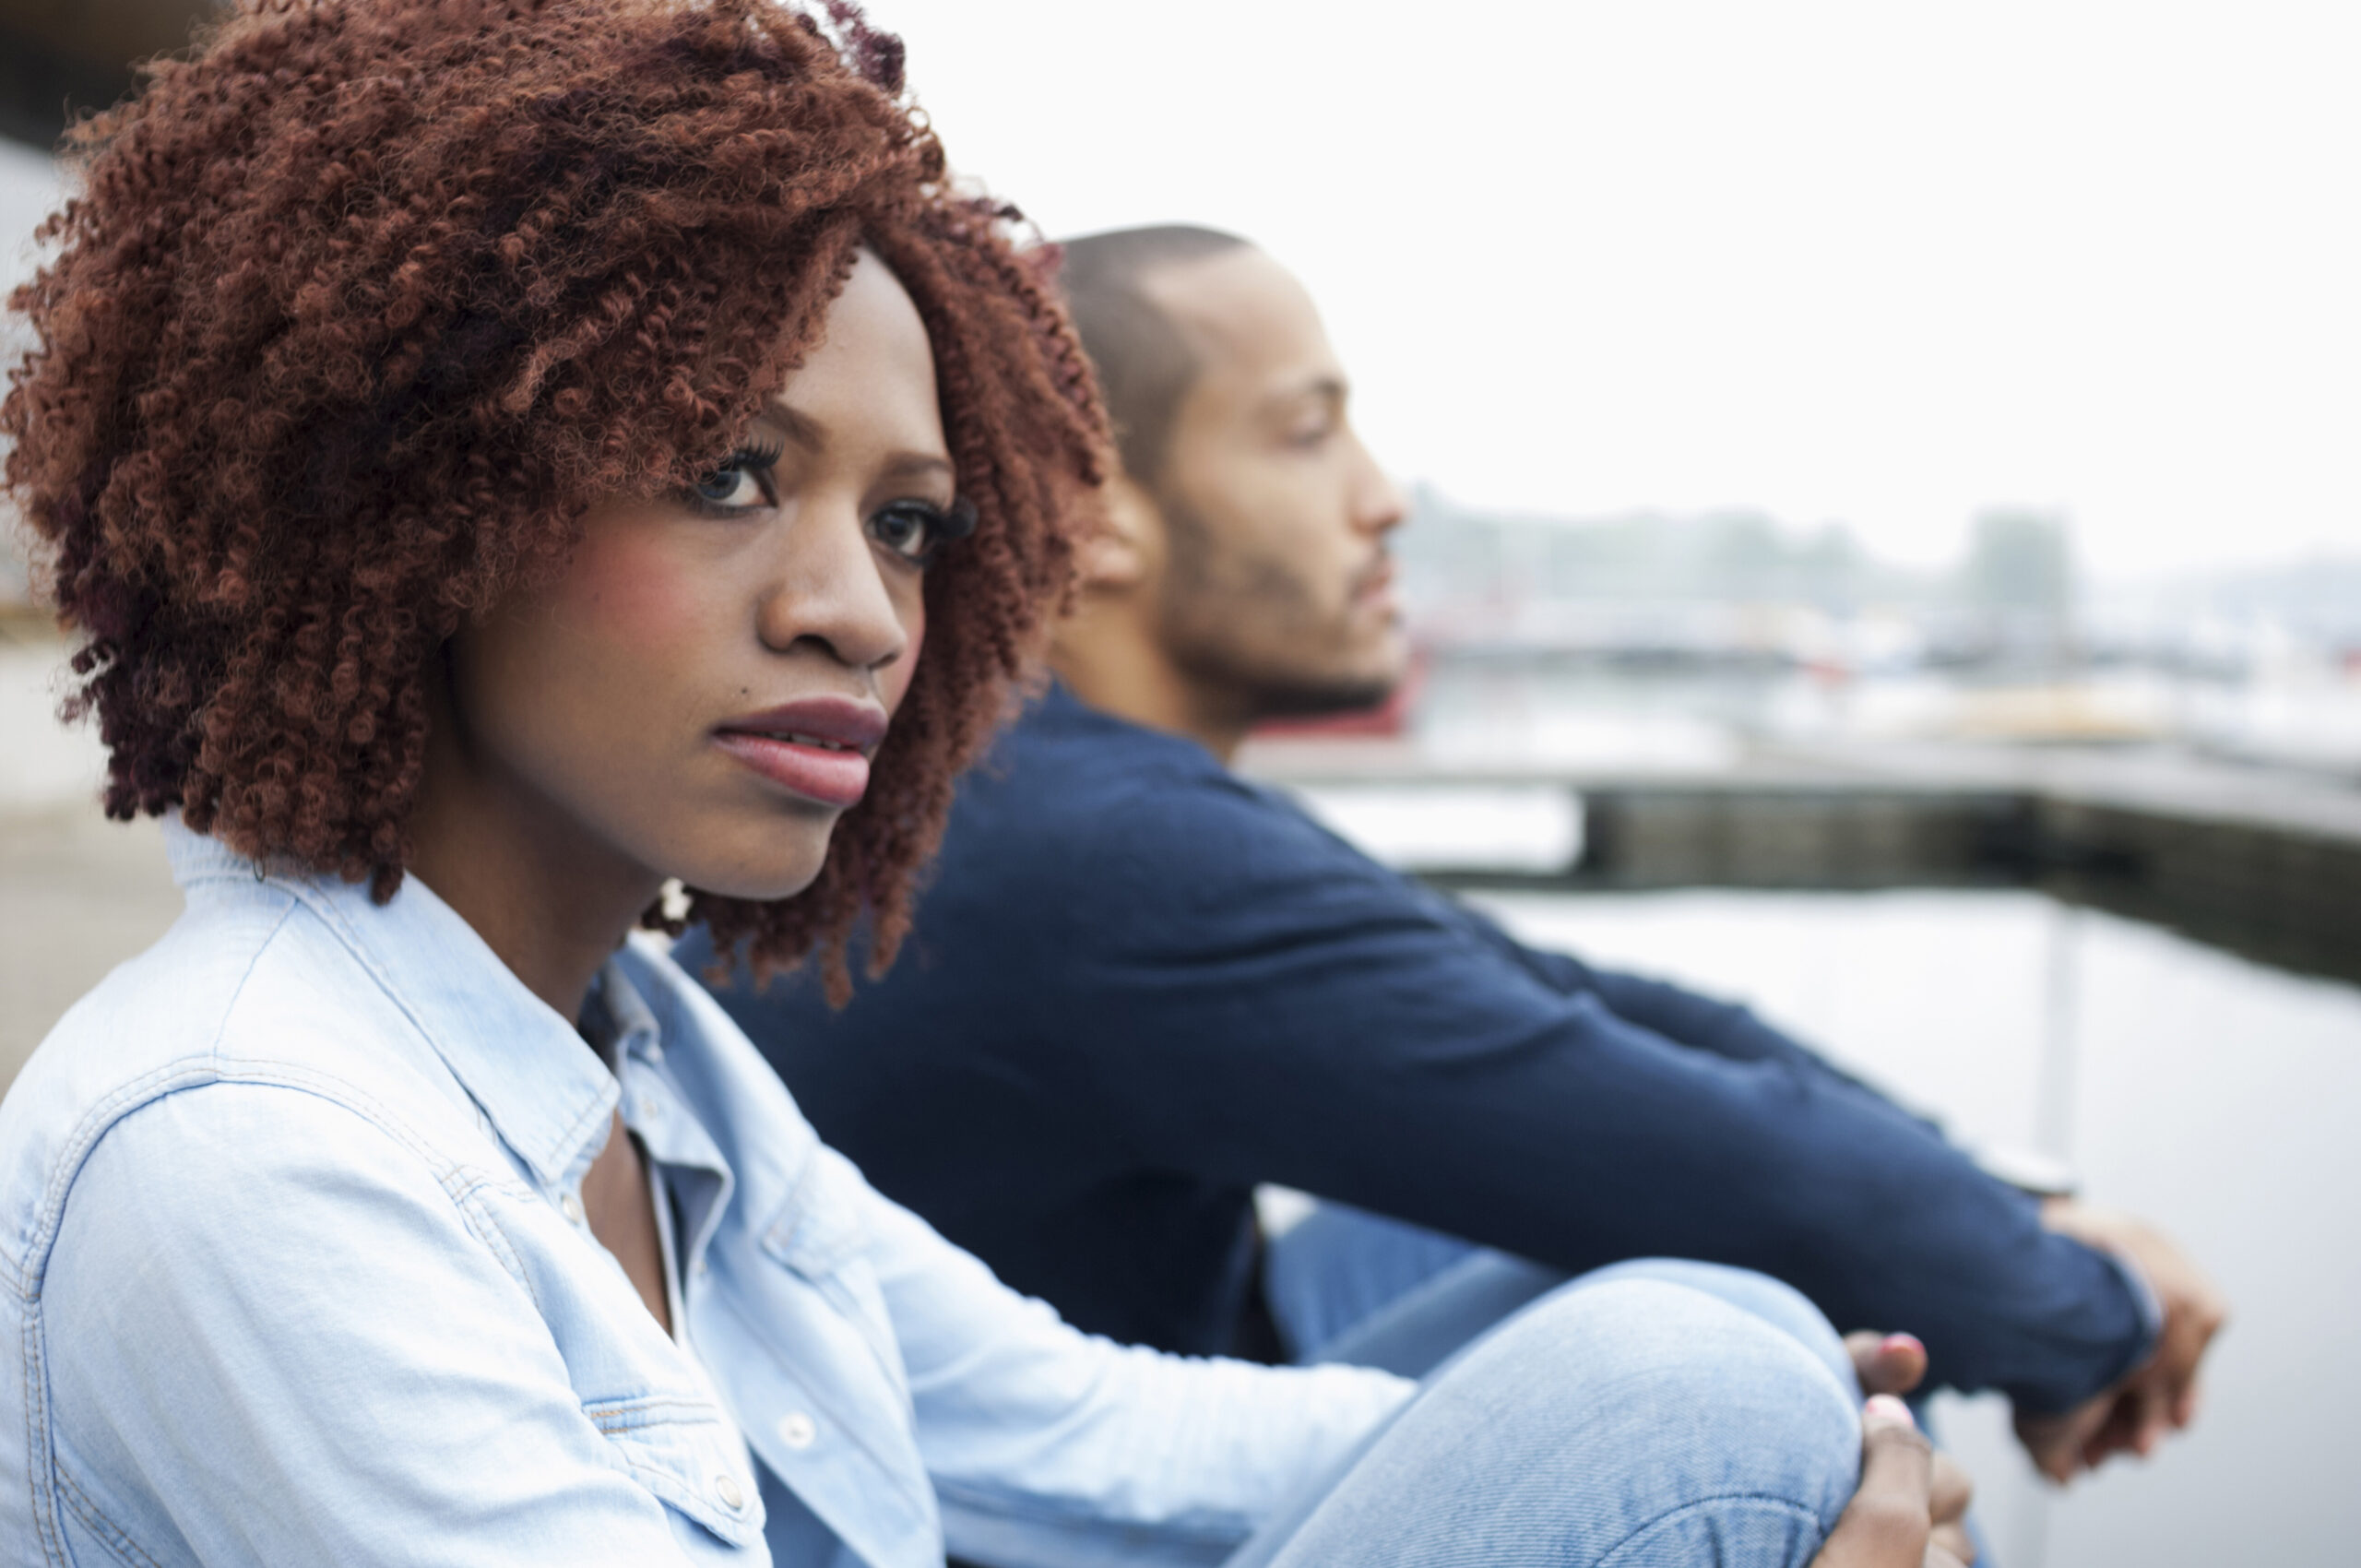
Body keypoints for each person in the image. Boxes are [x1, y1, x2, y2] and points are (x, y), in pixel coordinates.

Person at [0, 4, 1971, 1565]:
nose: (862, 615)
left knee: (1723, 1357)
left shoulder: (641, 1050)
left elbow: (1082, 1433)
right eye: (726, 475)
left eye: (919, 526)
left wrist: (1750, 1456)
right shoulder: (255, 1151)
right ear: (407, 489)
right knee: (1684, 1387)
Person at [690, 224, 2227, 1485]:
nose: (1386, 498)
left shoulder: (1045, 787)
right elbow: (1761, 1180)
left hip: (1150, 1379)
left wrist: (2017, 1207)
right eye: (1308, 431)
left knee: (1652, 1173)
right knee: (1767, 1319)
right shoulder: (1110, 853)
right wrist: (2090, 1313)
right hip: (1060, 1503)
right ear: (1102, 519)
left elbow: (1587, 1012)